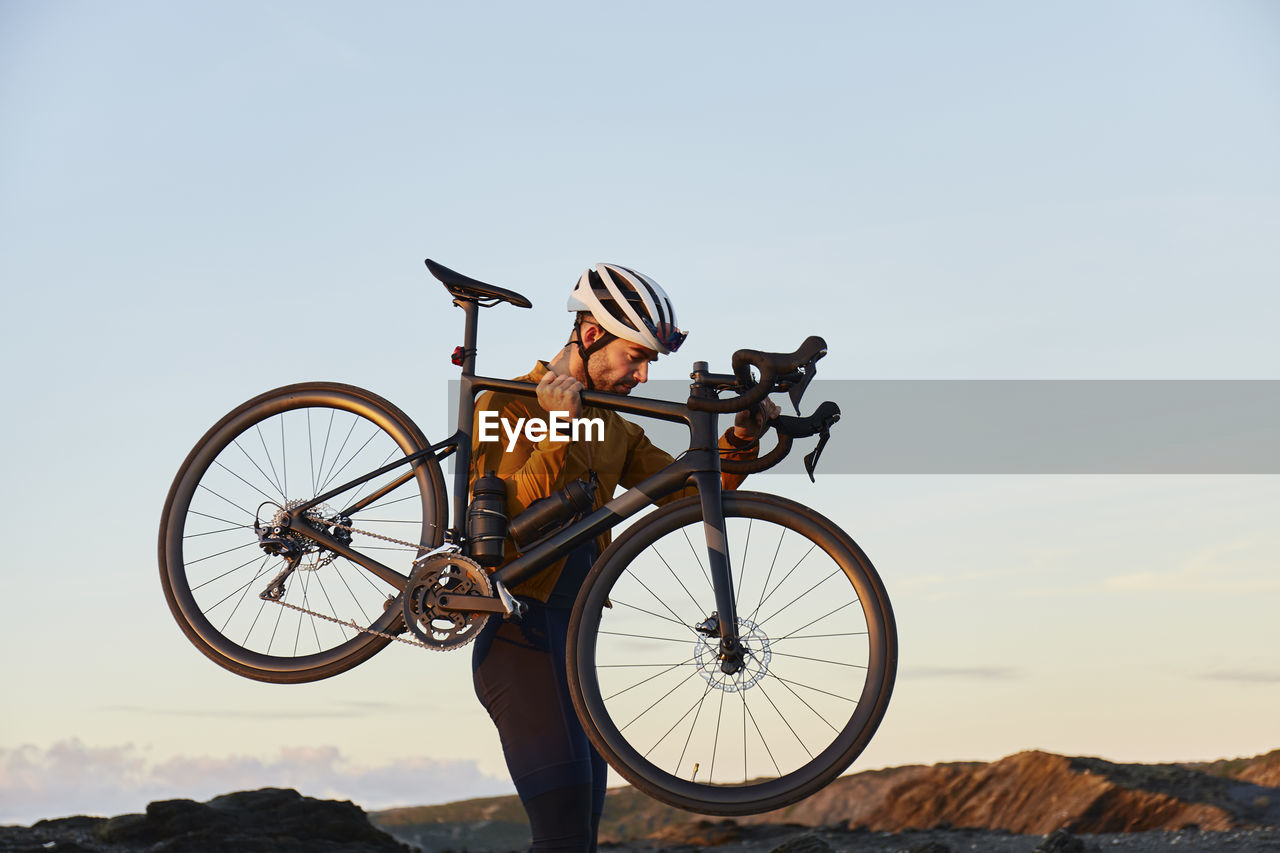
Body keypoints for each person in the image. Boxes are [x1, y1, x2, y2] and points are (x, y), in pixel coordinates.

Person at [468, 263, 779, 852]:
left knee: (581, 839)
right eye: (634, 357)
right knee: (561, 837)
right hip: (520, 642)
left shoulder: (613, 429)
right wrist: (559, 430)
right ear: (589, 337)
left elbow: (692, 496)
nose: (641, 375)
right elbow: (504, 530)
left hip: (574, 649)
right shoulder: (502, 405)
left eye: (648, 364)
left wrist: (740, 439)